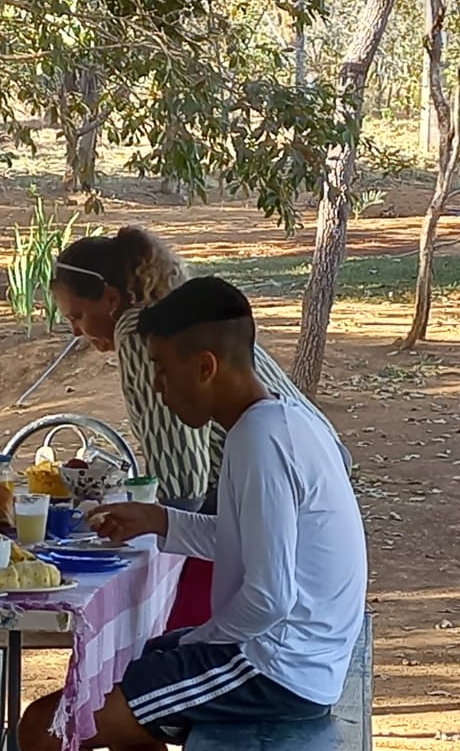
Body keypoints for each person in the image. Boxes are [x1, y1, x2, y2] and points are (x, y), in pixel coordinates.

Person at [17, 276, 367, 751]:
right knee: (125, 678)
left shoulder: (260, 443)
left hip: (274, 665)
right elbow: (247, 541)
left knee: (45, 730)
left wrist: (197, 644)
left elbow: (266, 596)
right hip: (291, 650)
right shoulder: (277, 421)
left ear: (205, 365)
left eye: (163, 369)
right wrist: (164, 522)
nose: (158, 386)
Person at [49, 227, 351, 627]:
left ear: (110, 299)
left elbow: (184, 480)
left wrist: (192, 640)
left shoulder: (141, 334)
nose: (76, 330)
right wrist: (158, 519)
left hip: (280, 626)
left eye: (78, 316)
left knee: (164, 633)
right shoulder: (182, 323)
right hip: (314, 506)